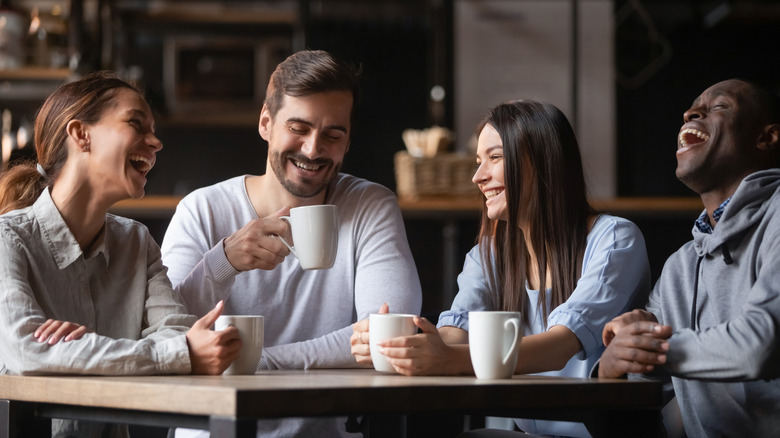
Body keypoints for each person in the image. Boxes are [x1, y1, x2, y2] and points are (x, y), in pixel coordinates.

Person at [160, 50, 422, 437]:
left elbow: (389, 335)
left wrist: (258, 363)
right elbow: (171, 337)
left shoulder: (369, 205)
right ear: (266, 123)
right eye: (298, 128)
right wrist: (224, 261)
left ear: (347, 142)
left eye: (333, 135)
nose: (314, 150)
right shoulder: (202, 209)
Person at [352, 100, 651, 437]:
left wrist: (449, 360)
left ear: (543, 162)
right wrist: (410, 344)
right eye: (479, 161)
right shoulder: (489, 254)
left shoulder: (614, 239)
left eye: (494, 158)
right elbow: (456, 331)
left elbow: (561, 345)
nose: (478, 177)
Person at [0, 71, 241, 438]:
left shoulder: (137, 242)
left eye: (154, 129)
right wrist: (164, 355)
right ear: (82, 135)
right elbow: (26, 353)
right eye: (136, 123)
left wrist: (75, 350)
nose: (156, 142)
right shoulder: (7, 239)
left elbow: (176, 333)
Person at [598, 78, 780, 436]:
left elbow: (759, 345)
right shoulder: (680, 267)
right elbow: (638, 390)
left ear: (767, 138)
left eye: (719, 106)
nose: (690, 113)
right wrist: (614, 363)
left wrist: (651, 346)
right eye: (693, 107)